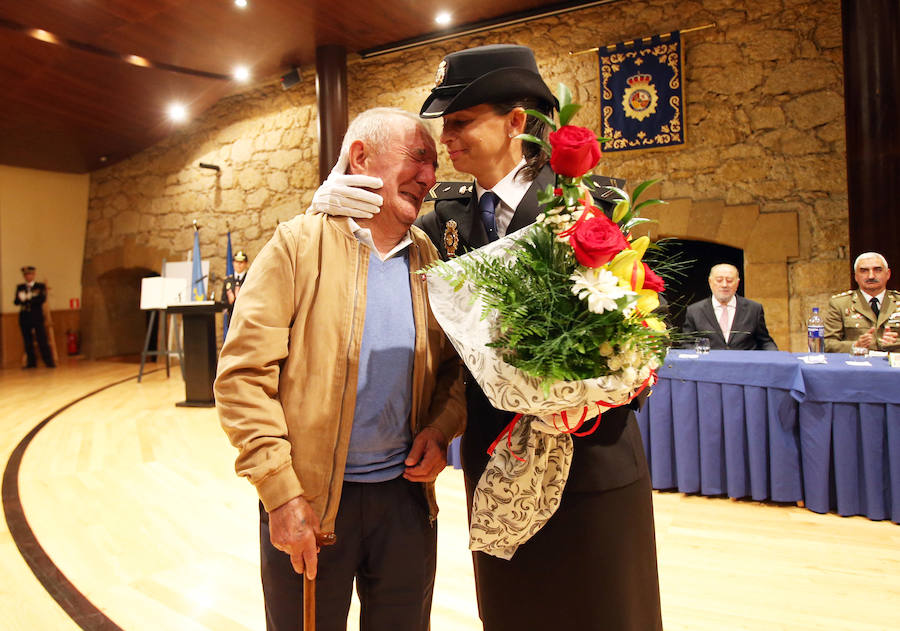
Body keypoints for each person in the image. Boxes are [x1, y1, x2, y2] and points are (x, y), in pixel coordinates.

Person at [311, 45, 662, 631]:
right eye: (444, 125)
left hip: (591, 464)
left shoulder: (590, 205)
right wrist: (327, 205)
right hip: (498, 469)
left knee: (608, 614)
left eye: (461, 122)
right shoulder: (444, 222)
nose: (446, 139)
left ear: (516, 121)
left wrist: (596, 387)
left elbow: (644, 326)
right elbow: (373, 238)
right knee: (510, 614)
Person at [214, 107, 465, 631]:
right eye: (418, 157)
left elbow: (453, 371)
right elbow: (242, 378)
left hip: (405, 501)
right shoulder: (296, 245)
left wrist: (441, 430)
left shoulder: (428, 258)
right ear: (360, 157)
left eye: (434, 165)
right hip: (309, 503)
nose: (429, 177)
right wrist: (280, 492)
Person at [682, 263, 778, 350]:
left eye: (729, 280)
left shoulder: (754, 309)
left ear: (737, 283)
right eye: (719, 280)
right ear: (710, 282)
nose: (724, 285)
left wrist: (775, 356)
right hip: (709, 362)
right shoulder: (695, 311)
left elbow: (765, 341)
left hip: (745, 362)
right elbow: (686, 343)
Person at [824, 252, 899, 353]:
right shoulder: (840, 304)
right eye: (864, 271)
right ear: (856, 276)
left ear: (888, 274)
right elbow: (827, 344)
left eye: (877, 270)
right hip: (857, 362)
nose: (871, 276)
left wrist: (896, 344)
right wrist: (855, 346)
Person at [14, 266, 56, 368]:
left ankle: (49, 362)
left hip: (36, 316)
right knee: (27, 341)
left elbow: (42, 299)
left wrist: (28, 299)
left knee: (42, 339)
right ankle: (31, 363)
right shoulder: (20, 287)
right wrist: (22, 299)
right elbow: (16, 301)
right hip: (25, 316)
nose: (28, 276)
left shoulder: (40, 286)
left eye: (30, 274)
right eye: (26, 274)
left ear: (33, 275)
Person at [220, 249, 249, 317]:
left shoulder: (249, 279)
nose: (239, 264)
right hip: (231, 316)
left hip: (246, 315)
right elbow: (223, 300)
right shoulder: (228, 280)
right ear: (233, 263)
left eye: (241, 262)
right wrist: (229, 302)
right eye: (236, 262)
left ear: (246, 263)